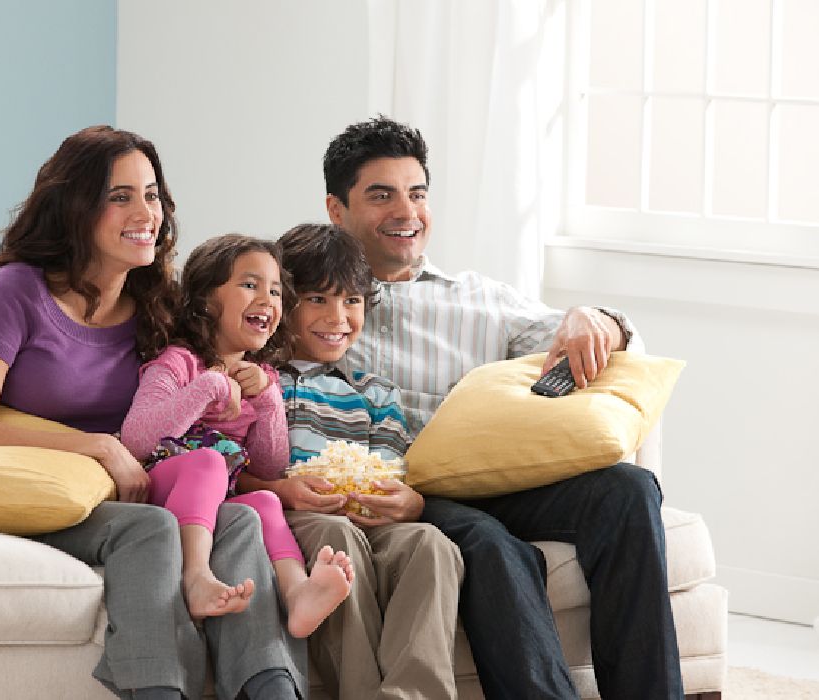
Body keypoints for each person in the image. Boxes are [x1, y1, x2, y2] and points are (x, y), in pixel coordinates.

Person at [321, 116, 684, 699]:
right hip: (414, 493)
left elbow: (599, 340)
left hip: (503, 479)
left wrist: (595, 318)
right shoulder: (314, 307)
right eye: (381, 195)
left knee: (628, 489)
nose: (406, 212)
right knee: (490, 544)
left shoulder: (480, 300)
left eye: (417, 193)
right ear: (337, 210)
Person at [0, 126, 306, 700]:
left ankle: (271, 688)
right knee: (150, 529)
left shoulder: (155, 307)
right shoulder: (18, 291)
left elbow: (199, 421)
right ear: (76, 207)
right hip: (37, 493)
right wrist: (98, 446)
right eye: (121, 196)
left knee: (240, 521)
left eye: (152, 195)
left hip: (124, 489)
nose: (146, 213)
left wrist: (266, 441)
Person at [237, 223, 464, 700]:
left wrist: (410, 502)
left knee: (431, 544)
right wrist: (280, 490)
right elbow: (230, 470)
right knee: (335, 540)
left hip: (371, 521)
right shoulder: (258, 380)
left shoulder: (375, 392)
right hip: (299, 519)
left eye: (352, 301)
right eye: (317, 299)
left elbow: (393, 469)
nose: (337, 317)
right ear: (284, 303)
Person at [120, 233, 355, 640]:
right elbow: (138, 439)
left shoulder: (262, 379)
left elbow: (269, 466)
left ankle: (298, 593)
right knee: (209, 462)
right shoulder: (179, 363)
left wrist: (266, 400)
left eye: (276, 291)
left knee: (266, 500)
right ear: (204, 300)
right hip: (162, 490)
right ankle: (195, 575)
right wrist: (211, 385)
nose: (267, 299)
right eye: (250, 285)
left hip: (220, 502)